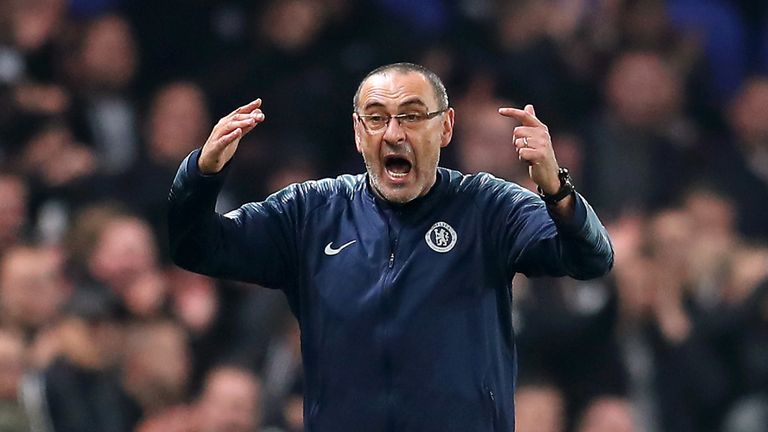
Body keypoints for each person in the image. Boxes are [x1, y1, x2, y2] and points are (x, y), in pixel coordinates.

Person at [168, 62, 613, 431]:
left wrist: (556, 188)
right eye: (377, 118)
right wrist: (201, 175)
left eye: (412, 116)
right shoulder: (309, 214)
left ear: (446, 128)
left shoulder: (488, 207)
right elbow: (198, 248)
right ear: (359, 133)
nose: (393, 132)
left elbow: (591, 258)